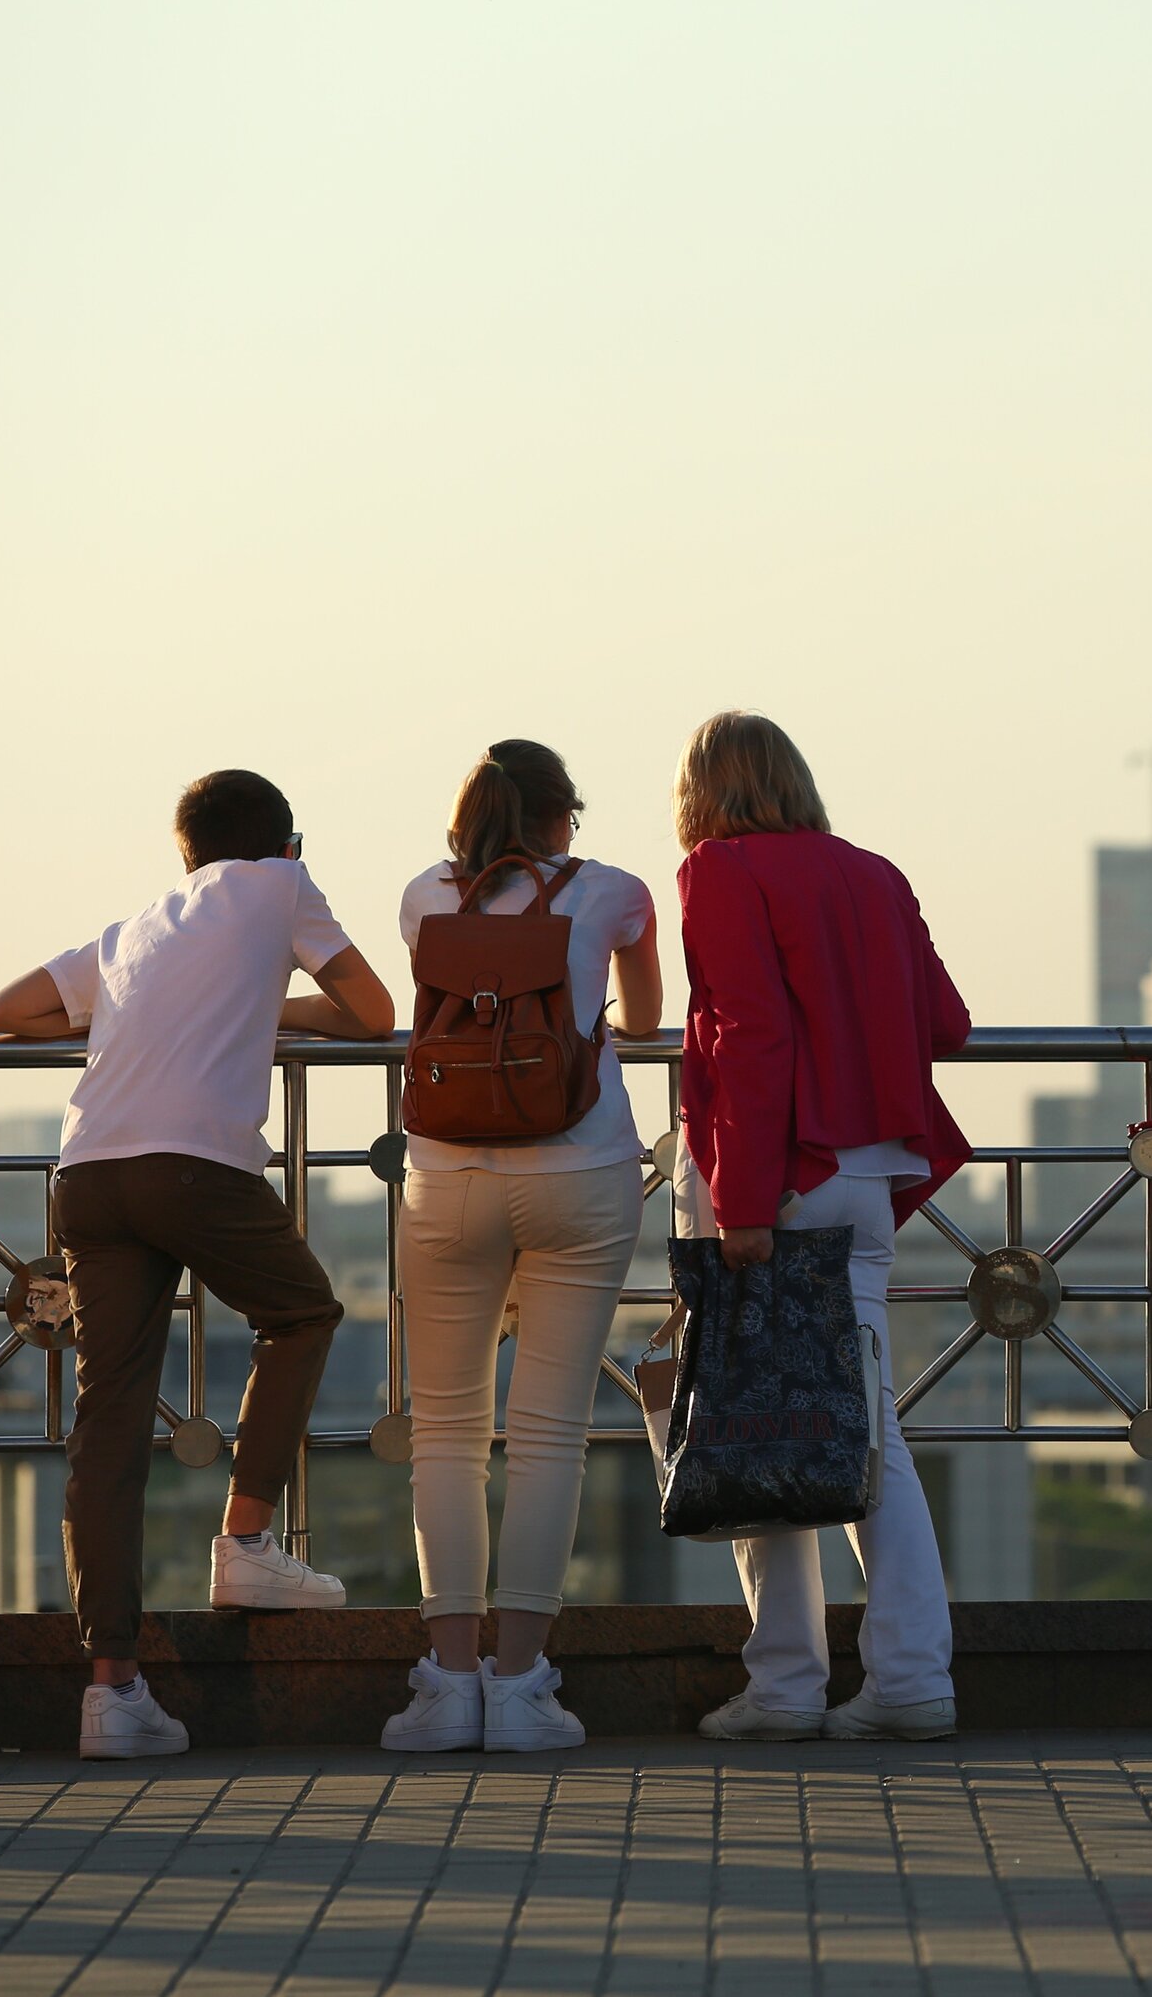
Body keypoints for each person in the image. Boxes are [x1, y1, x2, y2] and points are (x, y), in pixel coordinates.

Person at [0, 769, 394, 1760]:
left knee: (110, 1412)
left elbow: (8, 1012)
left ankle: (112, 1687)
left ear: (185, 852)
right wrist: (281, 1010)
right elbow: (377, 1010)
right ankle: (247, 1544)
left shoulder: (132, 931)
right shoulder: (280, 887)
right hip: (191, 1165)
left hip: (88, 1172)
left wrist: (138, 1020)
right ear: (282, 844)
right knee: (301, 1315)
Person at [673, 711, 972, 1743]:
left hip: (779, 1172)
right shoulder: (874, 872)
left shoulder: (721, 868)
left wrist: (741, 1200)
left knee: (756, 1411)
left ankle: (795, 1681)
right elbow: (949, 1021)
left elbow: (749, 1031)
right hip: (870, 1171)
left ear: (704, 790)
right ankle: (903, 1671)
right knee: (860, 1420)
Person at [379, 741, 663, 1754]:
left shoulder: (423, 896)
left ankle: (448, 1686)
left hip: (447, 1175)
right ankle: (522, 1685)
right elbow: (645, 1015)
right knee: (548, 1434)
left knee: (447, 1433)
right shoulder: (615, 891)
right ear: (561, 818)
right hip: (578, 1171)